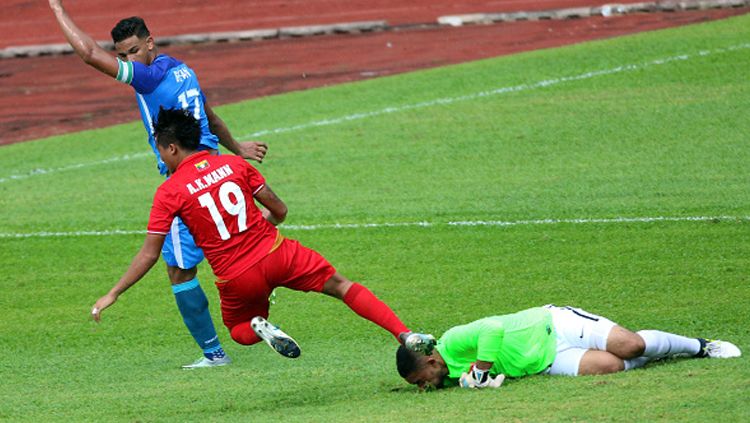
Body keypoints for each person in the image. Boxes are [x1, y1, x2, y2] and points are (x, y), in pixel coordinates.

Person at [90, 108, 436, 361]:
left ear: (171, 148)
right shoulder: (235, 165)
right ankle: (403, 333)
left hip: (237, 277)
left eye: (160, 149)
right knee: (342, 286)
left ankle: (259, 325)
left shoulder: (170, 191)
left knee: (239, 331)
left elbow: (150, 253)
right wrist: (261, 226)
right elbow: (281, 210)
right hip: (277, 253)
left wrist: (114, 293)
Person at [49, 0, 269, 368]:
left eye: (134, 51)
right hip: (218, 169)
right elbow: (208, 115)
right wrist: (239, 147)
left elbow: (88, 54)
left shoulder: (147, 78)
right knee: (234, 250)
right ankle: (258, 306)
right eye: (123, 55)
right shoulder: (182, 69)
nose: (129, 61)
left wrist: (56, 8)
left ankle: (216, 353)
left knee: (179, 269)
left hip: (188, 182)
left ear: (151, 42)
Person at [397, 304, 741, 390]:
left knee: (631, 345)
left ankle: (700, 346)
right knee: (612, 365)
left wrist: (482, 370)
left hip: (552, 323)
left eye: (421, 379)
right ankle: (660, 353)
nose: (425, 386)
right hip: (547, 360)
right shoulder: (450, 374)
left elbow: (493, 327)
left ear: (430, 359)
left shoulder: (454, 339)